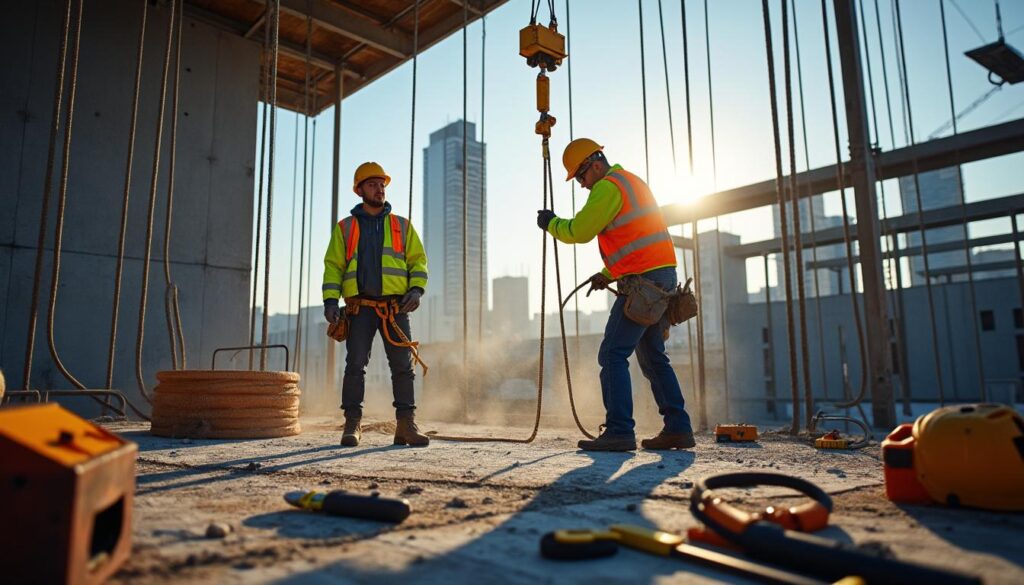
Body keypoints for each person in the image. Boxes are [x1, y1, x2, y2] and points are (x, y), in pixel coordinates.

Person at [537, 139, 695, 451]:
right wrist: (607, 274)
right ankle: (678, 427)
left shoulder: (607, 187)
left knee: (612, 353)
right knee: (652, 356)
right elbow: (636, 238)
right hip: (658, 277)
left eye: (580, 177)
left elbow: (580, 231)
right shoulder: (632, 182)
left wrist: (551, 223)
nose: (581, 185)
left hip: (644, 282)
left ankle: (620, 430)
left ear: (595, 164)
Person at [323, 162, 430, 447]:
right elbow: (333, 266)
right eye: (372, 184)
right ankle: (352, 424)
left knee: (403, 368)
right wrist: (330, 301)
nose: (379, 189)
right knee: (355, 365)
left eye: (382, 184)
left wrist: (417, 289)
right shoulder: (345, 228)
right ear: (359, 190)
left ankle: (406, 425)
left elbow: (417, 260)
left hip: (395, 309)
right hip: (360, 309)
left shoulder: (401, 226)